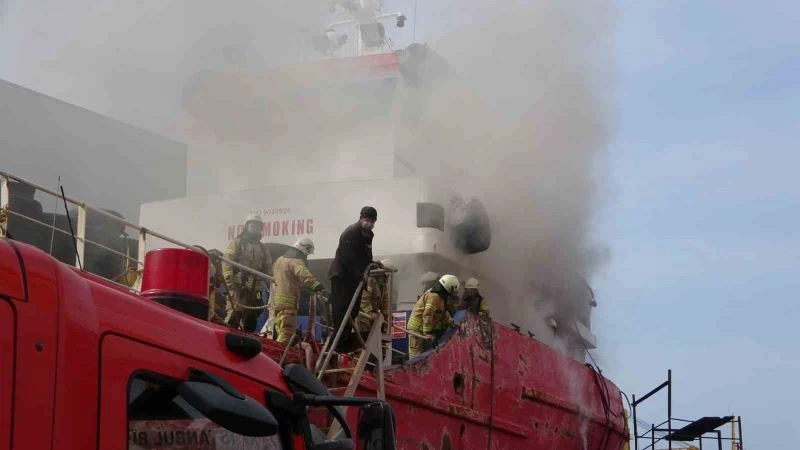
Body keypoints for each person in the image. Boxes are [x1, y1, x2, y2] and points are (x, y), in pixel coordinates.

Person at [328, 206, 380, 352]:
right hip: (342, 277)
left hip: (354, 279)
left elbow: (366, 255)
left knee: (354, 311)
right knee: (342, 312)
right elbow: (349, 259)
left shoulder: (368, 234)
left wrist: (373, 264)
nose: (369, 223)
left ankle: (344, 341)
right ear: (361, 218)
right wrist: (361, 274)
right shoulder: (350, 233)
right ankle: (338, 344)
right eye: (367, 219)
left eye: (372, 221)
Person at [222, 213, 273, 332]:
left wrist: (273, 284)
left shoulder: (263, 249)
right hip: (238, 286)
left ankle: (246, 341)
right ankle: (227, 337)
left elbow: (269, 270)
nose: (255, 228)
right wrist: (229, 281)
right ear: (246, 227)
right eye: (253, 225)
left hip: (256, 289)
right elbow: (226, 261)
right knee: (235, 313)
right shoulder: (237, 243)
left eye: (258, 226)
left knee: (252, 316)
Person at [270, 238, 325, 343]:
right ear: (305, 249)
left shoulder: (279, 260)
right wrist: (316, 285)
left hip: (274, 303)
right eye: (307, 253)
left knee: (279, 331)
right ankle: (282, 355)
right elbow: (303, 274)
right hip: (288, 304)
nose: (306, 256)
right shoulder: (296, 261)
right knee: (287, 333)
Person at [407, 274, 460, 357]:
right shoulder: (434, 296)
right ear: (450, 287)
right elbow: (428, 315)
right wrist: (427, 333)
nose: (455, 293)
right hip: (417, 329)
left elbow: (443, 312)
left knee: (425, 355)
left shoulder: (441, 296)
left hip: (422, 328)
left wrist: (451, 323)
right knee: (416, 356)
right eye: (454, 290)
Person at [357, 259, 396, 341]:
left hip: (371, 320)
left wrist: (388, 319)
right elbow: (363, 297)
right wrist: (370, 313)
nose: (388, 278)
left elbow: (385, 304)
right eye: (387, 275)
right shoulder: (371, 280)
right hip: (362, 318)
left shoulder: (383, 286)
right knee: (362, 342)